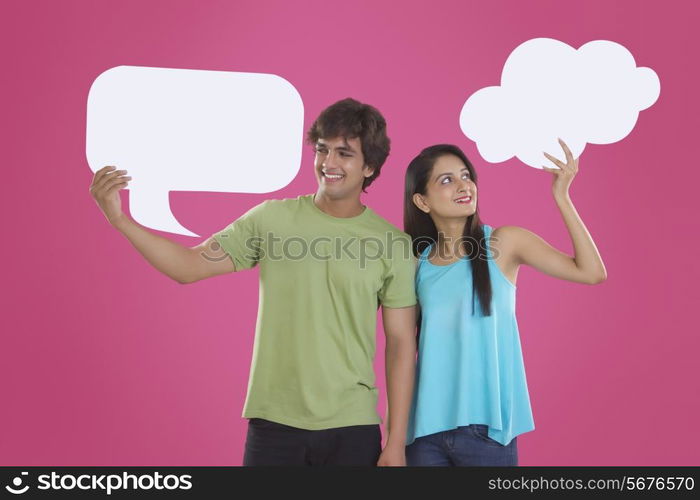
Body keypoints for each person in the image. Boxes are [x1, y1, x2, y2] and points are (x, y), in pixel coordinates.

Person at [89, 98, 417, 466]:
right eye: (322, 150)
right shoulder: (271, 219)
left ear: (369, 166)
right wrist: (121, 220)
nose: (329, 163)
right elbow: (188, 266)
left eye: (344, 153)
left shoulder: (393, 245)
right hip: (274, 423)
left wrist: (396, 441)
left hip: (352, 427)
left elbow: (401, 346)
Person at [402, 139, 606, 466]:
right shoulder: (416, 263)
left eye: (465, 175)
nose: (463, 185)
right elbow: (400, 350)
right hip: (424, 434)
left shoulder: (503, 242)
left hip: (488, 432)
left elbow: (591, 272)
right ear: (422, 201)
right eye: (446, 180)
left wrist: (562, 197)